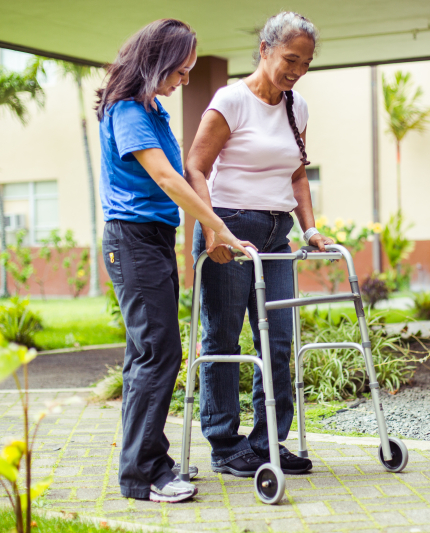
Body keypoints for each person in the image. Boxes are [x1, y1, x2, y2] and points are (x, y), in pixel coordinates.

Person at [95, 18, 253, 503]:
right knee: (158, 352)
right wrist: (217, 226)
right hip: (133, 240)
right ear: (157, 61)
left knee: (150, 353)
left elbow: (183, 170)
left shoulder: (152, 109)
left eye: (189, 72)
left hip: (154, 238)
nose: (185, 80)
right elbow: (165, 177)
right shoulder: (126, 110)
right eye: (180, 71)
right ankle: (143, 473)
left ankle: (144, 462)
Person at [185, 12, 333, 478]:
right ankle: (225, 445)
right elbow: (195, 167)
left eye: (306, 63)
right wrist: (212, 232)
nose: (297, 70)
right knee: (224, 339)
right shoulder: (231, 100)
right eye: (291, 58)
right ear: (266, 49)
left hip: (276, 234)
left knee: (280, 340)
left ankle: (269, 441)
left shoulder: (297, 107)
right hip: (229, 227)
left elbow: (296, 173)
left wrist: (310, 229)